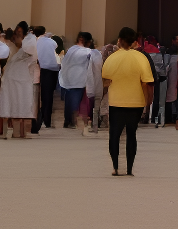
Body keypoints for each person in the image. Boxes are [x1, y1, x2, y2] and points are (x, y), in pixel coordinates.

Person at [101, 28, 154, 178]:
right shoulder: (141, 58)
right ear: (134, 41)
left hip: (116, 102)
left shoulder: (112, 58)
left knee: (115, 135)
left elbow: (105, 81)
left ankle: (116, 167)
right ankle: (129, 168)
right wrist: (148, 102)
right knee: (132, 134)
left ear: (120, 40)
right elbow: (147, 82)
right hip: (136, 102)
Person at [0, 24, 37, 139]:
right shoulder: (10, 45)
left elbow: (30, 52)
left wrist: (20, 42)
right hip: (10, 77)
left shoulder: (29, 41)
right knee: (10, 102)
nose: (17, 34)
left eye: (20, 32)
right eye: (16, 32)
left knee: (22, 103)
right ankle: (10, 131)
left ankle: (21, 132)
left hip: (23, 78)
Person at [59, 32, 96, 131]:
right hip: (79, 79)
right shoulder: (87, 52)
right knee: (75, 101)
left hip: (67, 78)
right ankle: (72, 121)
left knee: (68, 101)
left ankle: (67, 121)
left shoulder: (71, 49)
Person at [34, 25, 61, 133]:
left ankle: (42, 117)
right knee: (48, 96)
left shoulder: (35, 42)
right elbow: (56, 46)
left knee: (42, 96)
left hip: (42, 68)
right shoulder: (50, 41)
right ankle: (47, 120)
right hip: (53, 69)